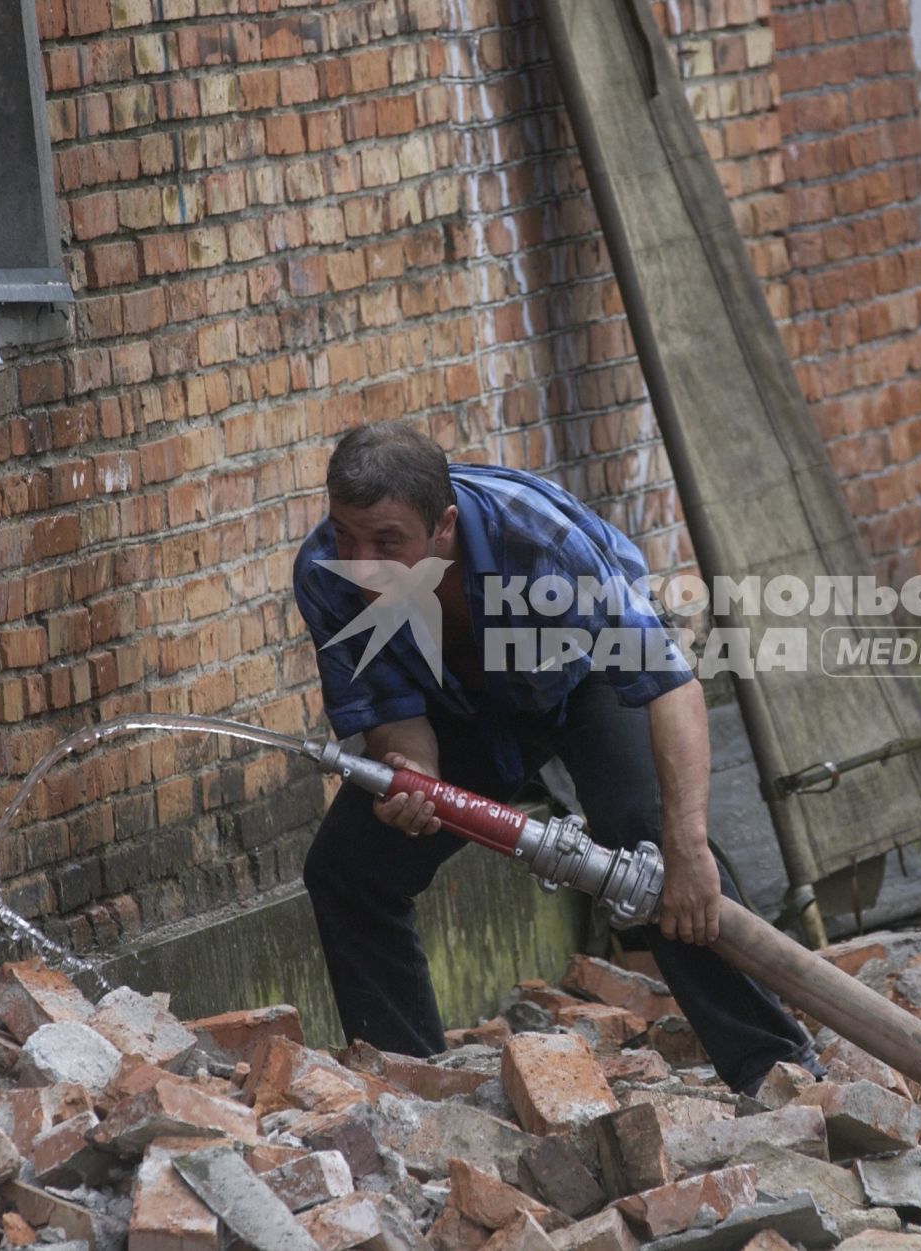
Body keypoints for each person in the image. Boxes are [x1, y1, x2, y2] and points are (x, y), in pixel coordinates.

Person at [292, 422, 819, 1094]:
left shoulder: (539, 542)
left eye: (387, 542)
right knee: (346, 867)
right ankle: (412, 1088)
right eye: (347, 534)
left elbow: (670, 683)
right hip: (462, 707)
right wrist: (416, 777)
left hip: (584, 677)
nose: (361, 560)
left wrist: (687, 845)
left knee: (650, 840)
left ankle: (775, 1067)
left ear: (444, 525)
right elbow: (396, 715)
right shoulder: (326, 572)